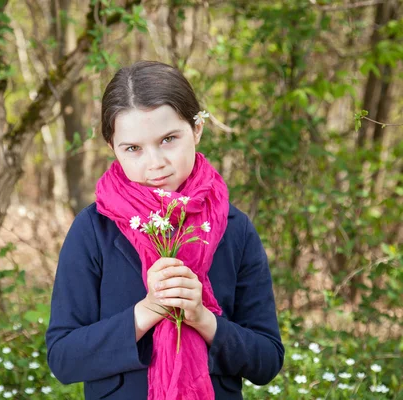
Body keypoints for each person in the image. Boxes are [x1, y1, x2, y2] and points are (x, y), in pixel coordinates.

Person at [46, 61, 284, 400]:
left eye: (169, 139)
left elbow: (267, 360)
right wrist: (148, 311)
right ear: (112, 147)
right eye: (133, 148)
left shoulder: (235, 229)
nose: (155, 163)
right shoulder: (93, 229)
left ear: (197, 128)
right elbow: (64, 359)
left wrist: (203, 319)